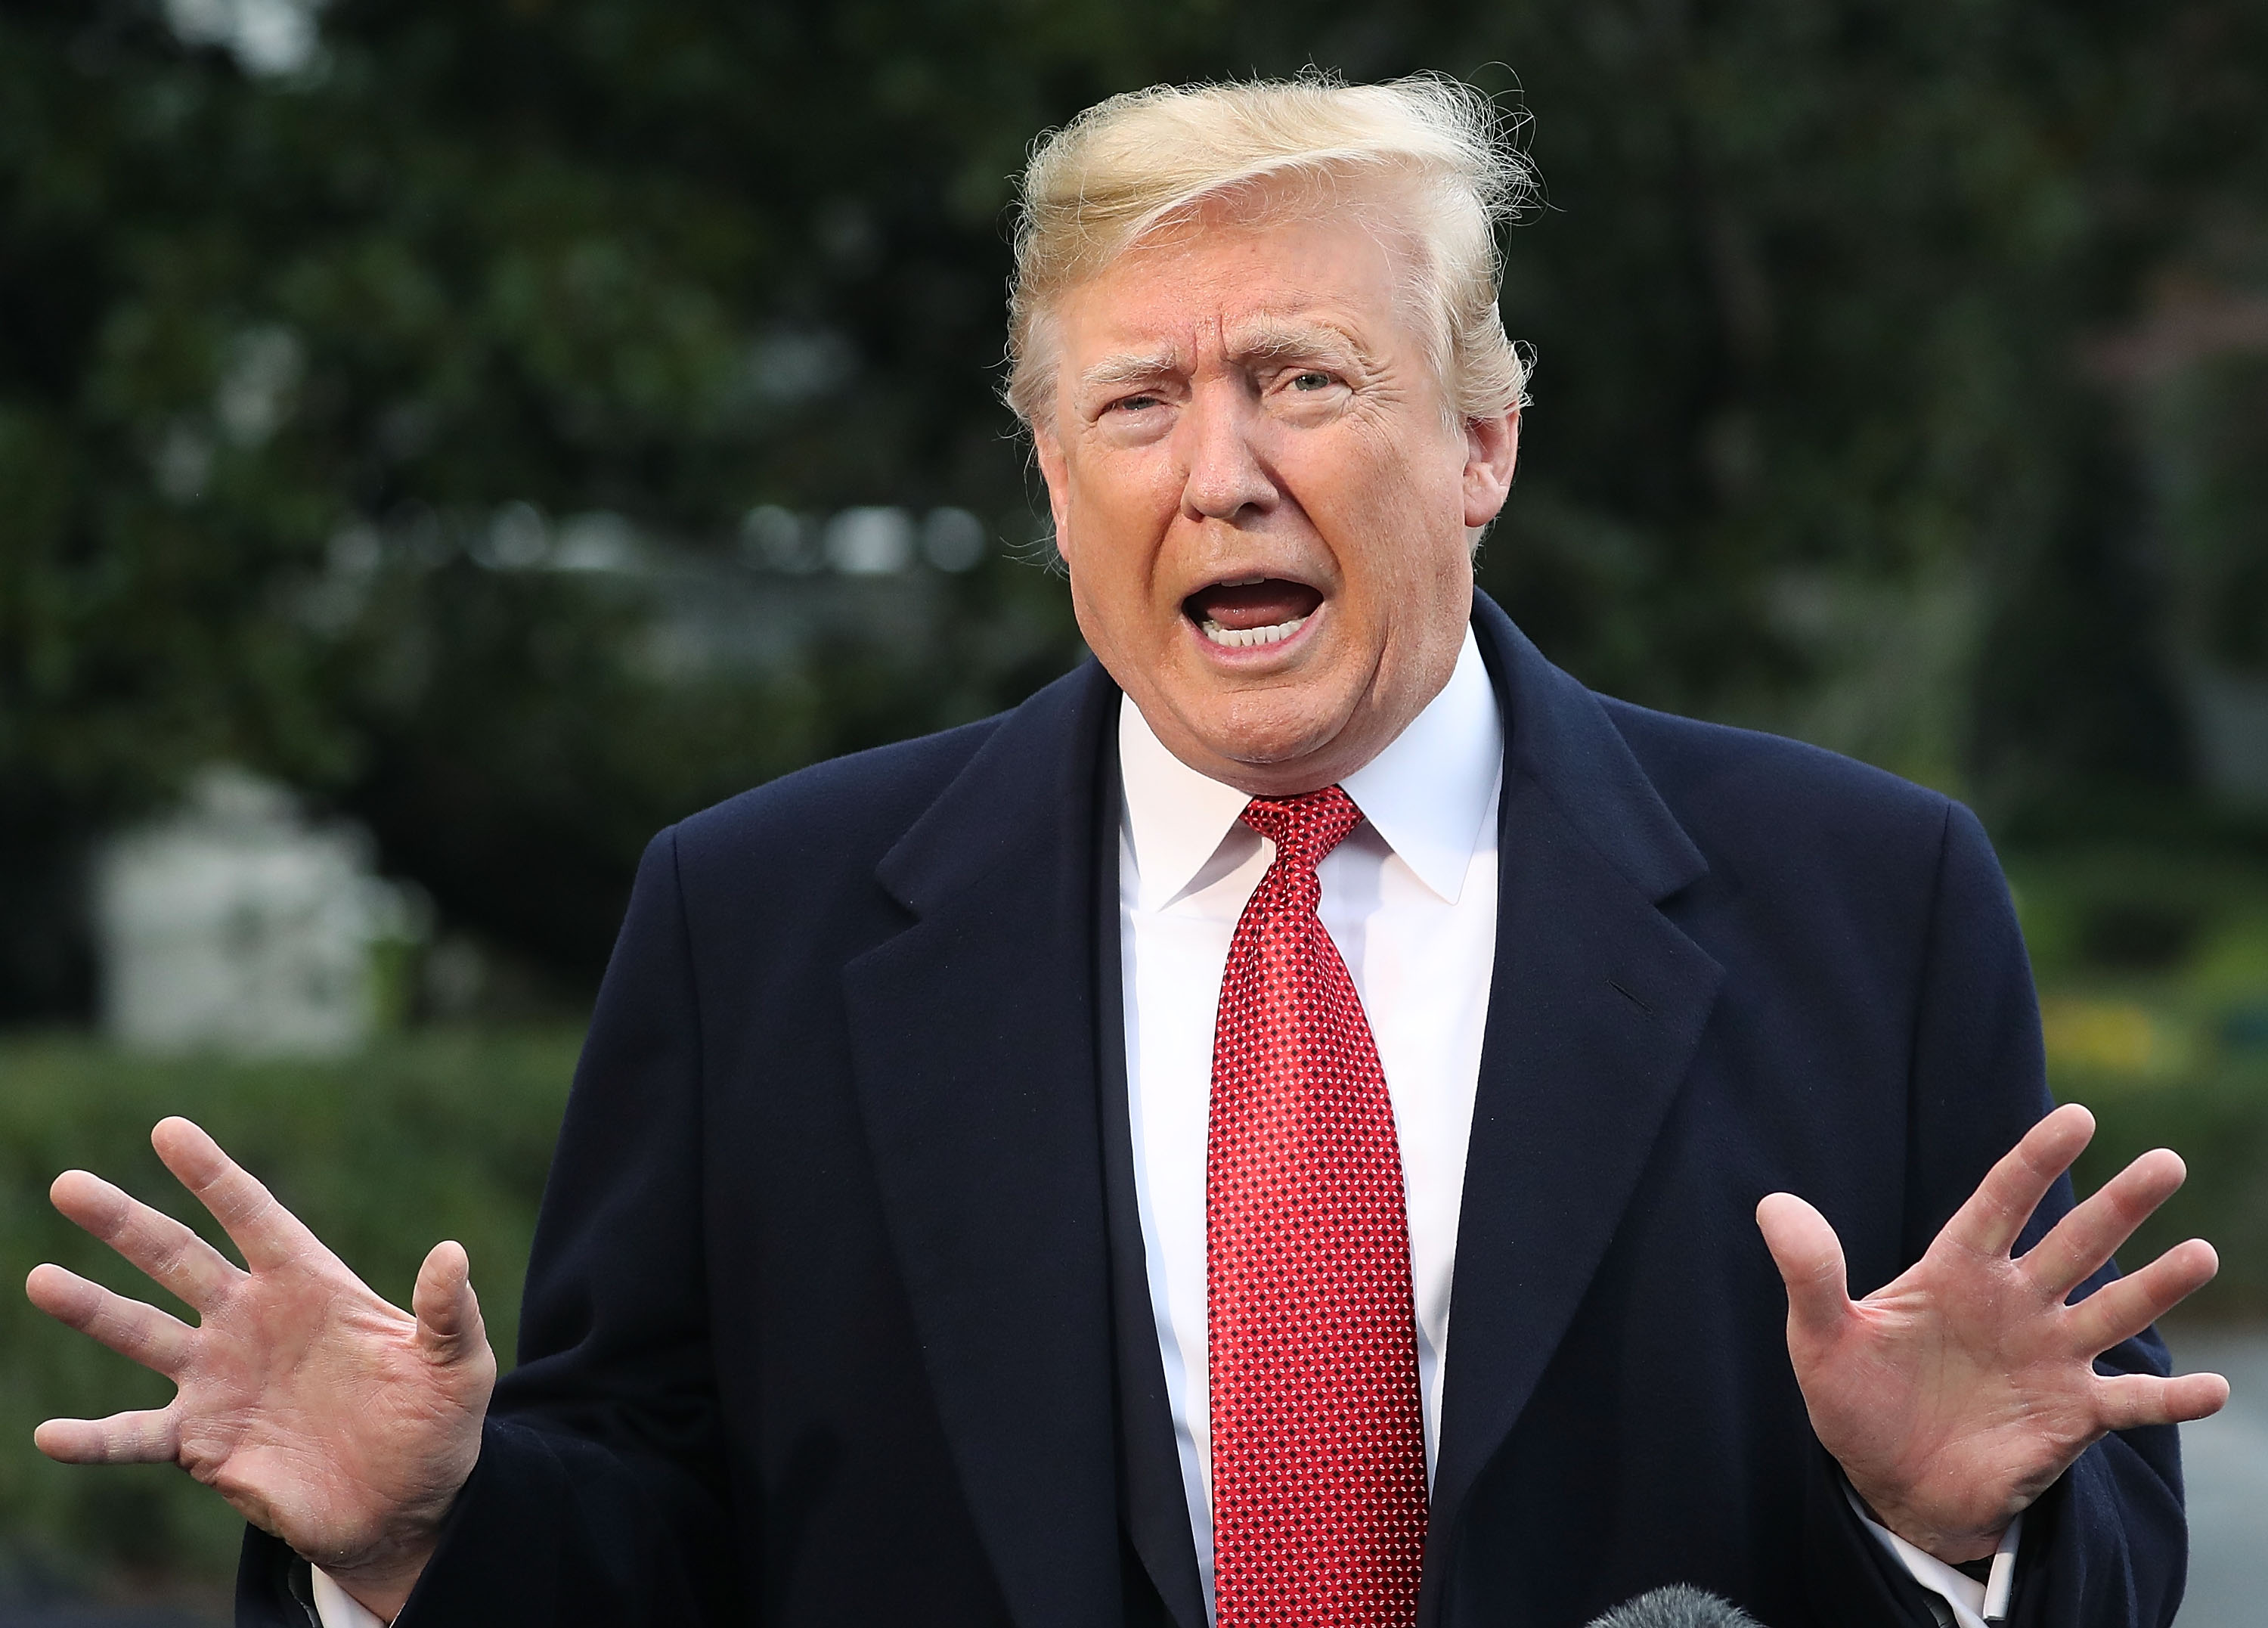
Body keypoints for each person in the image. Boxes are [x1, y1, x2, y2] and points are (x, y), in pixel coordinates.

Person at [26, 75, 2229, 1628]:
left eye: (1304, 376)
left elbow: (2096, 1553)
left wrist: (1960, 1534)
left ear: (1481, 444)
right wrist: (422, 1533)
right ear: (1054, 476)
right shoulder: (758, 921)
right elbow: (655, 1546)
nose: (1226, 470)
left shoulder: (1867, 896)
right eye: (1138, 403)